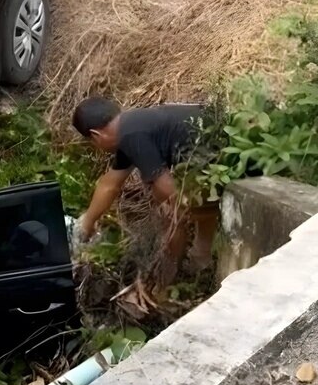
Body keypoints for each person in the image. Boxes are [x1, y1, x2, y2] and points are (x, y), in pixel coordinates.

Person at [71, 96, 217, 284]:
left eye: (92, 142)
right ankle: (201, 259)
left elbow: (166, 186)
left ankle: (169, 279)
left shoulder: (131, 136)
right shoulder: (130, 126)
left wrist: (179, 211)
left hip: (218, 157)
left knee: (169, 210)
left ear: (96, 135)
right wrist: (86, 223)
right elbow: (109, 184)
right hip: (214, 150)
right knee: (171, 198)